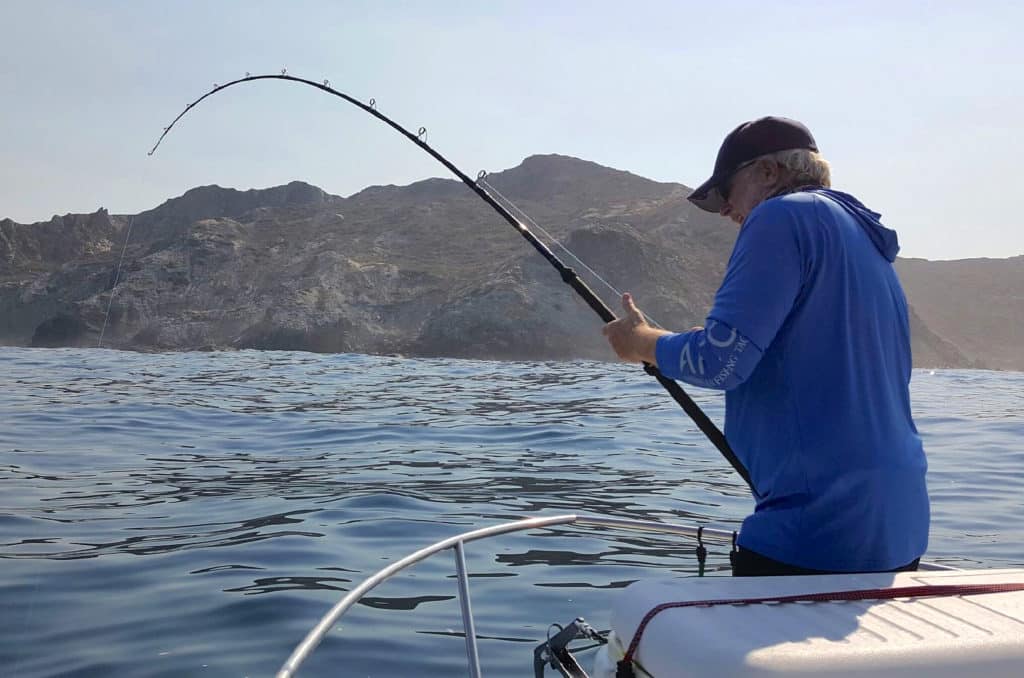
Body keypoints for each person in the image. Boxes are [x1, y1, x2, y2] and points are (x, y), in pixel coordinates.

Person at [602, 116, 929, 576]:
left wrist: (641, 342)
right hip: (899, 527)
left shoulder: (781, 216)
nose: (725, 210)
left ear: (769, 172)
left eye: (726, 191)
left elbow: (720, 361)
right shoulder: (867, 242)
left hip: (816, 532)